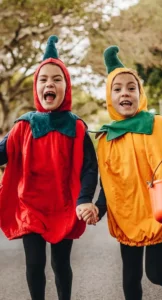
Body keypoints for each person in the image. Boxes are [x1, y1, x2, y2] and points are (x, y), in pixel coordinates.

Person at [86, 45, 162, 300]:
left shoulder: (159, 124)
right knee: (130, 277)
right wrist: (99, 208)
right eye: (117, 89)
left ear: (141, 93)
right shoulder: (106, 137)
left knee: (155, 273)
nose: (124, 93)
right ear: (109, 96)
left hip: (160, 210)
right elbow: (109, 183)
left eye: (131, 87)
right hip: (128, 214)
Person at [0, 35, 99, 300]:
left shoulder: (76, 126)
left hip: (63, 206)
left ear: (66, 87)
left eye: (57, 79)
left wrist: (85, 199)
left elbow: (90, 168)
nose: (49, 84)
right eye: (43, 79)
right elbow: (2, 153)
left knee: (60, 263)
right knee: (34, 264)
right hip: (30, 205)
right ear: (36, 87)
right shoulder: (24, 125)